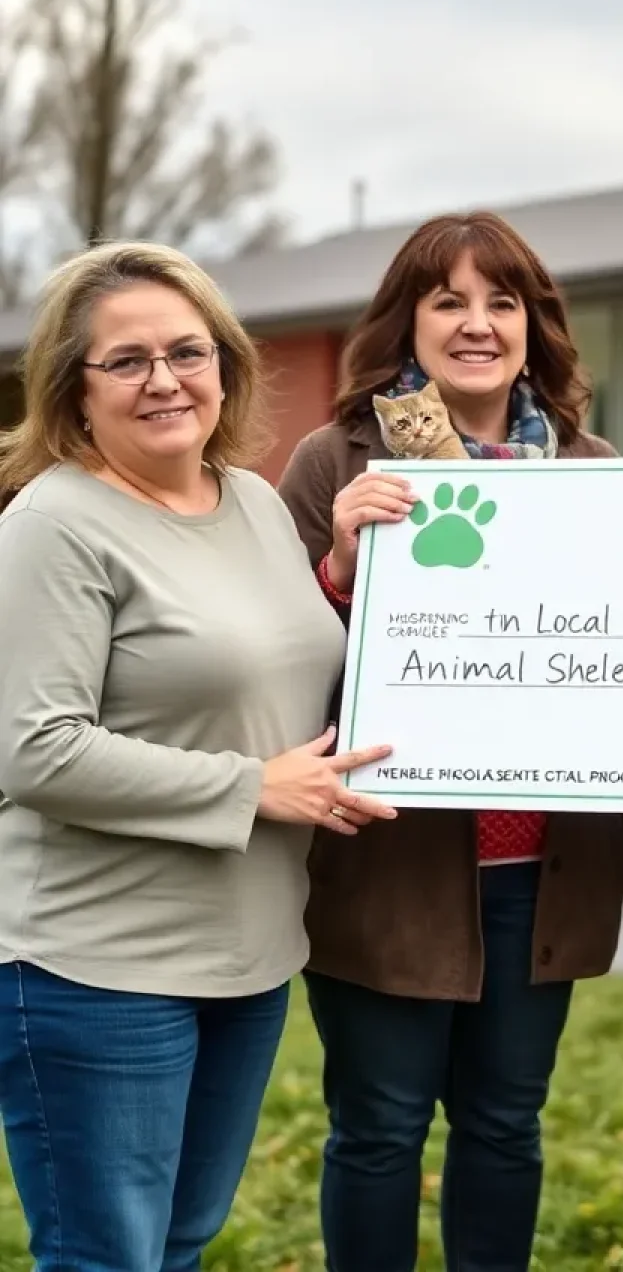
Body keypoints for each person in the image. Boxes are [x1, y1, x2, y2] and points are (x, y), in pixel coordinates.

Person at [0, 242, 393, 1272]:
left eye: (189, 350)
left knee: (178, 1242)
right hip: (97, 965)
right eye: (126, 361)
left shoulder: (255, 502)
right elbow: (33, 752)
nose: (166, 379)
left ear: (227, 364)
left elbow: (282, 674)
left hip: (249, 955)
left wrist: (354, 579)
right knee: (107, 1256)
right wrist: (255, 788)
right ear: (73, 390)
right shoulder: (54, 526)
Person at [277, 211, 623, 1272]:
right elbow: (277, 662)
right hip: (391, 864)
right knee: (379, 1130)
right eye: (449, 301)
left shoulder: (598, 469)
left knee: (503, 1127)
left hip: (541, 867)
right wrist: (340, 566)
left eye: (502, 302)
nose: (477, 324)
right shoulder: (330, 461)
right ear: (408, 324)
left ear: (534, 327)